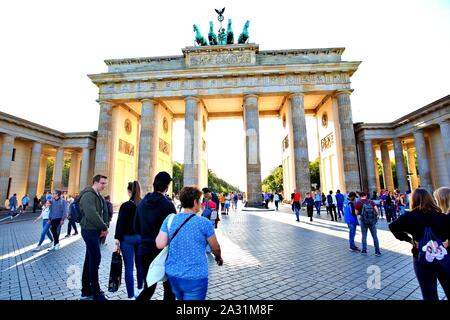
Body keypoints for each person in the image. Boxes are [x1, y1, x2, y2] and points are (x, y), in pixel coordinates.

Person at [155, 186, 223, 300]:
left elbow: (159, 244)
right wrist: (218, 258)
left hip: (173, 275)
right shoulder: (204, 223)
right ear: (195, 202)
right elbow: (215, 247)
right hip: (196, 277)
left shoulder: (170, 219)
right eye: (199, 201)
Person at [389, 188, 450, 300]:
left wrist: (409, 240)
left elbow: (392, 226)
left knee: (429, 294)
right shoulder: (441, 216)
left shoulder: (410, 216)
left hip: (421, 257)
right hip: (443, 257)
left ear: (413, 200)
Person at [134, 171, 176, 301]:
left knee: (149, 288)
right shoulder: (168, 205)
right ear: (167, 187)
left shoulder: (141, 203)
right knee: (169, 289)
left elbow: (135, 227)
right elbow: (173, 231)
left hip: (144, 250)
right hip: (163, 253)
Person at [79, 174, 110, 300]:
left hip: (95, 231)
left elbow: (104, 212)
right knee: (95, 259)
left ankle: (86, 291)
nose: (104, 186)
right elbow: (91, 213)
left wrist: (105, 226)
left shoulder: (99, 196)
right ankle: (96, 292)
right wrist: (104, 227)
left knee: (89, 261)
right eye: (102, 183)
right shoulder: (88, 195)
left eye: (105, 183)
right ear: (95, 182)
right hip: (89, 230)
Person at [114, 181, 144, 299]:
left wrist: (117, 241)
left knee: (129, 268)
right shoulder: (143, 205)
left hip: (127, 240)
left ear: (129, 191)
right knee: (140, 266)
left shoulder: (125, 206)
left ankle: (131, 296)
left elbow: (120, 224)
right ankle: (140, 289)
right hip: (140, 239)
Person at [355, 192, 381, 256]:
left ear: (359, 196)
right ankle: (377, 251)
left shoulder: (358, 203)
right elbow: (376, 210)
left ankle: (364, 251)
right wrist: (377, 216)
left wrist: (360, 214)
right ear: (365, 195)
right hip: (372, 221)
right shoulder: (371, 201)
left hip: (363, 221)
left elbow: (356, 213)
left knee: (364, 236)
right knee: (375, 236)